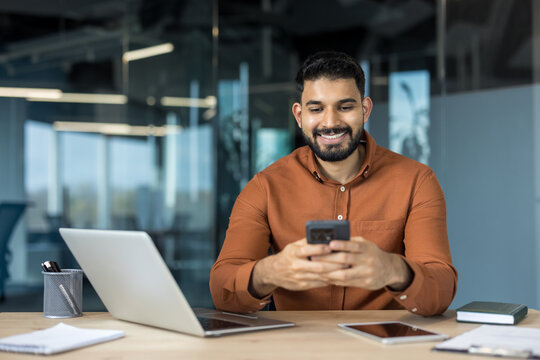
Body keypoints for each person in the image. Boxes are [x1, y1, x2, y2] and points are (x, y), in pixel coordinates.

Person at [210, 51, 457, 316]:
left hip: (386, 349)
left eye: (345, 107)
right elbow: (222, 290)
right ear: (299, 115)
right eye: (316, 109)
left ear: (365, 109)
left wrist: (392, 269)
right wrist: (270, 271)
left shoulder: (417, 181)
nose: (330, 122)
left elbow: (440, 291)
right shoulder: (265, 187)